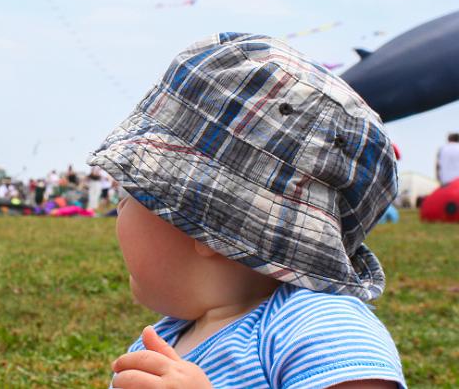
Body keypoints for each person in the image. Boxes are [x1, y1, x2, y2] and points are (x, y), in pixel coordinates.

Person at [88, 33, 405, 388]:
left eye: (131, 194)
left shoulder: (319, 330)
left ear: (205, 225)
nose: (120, 206)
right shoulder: (167, 345)